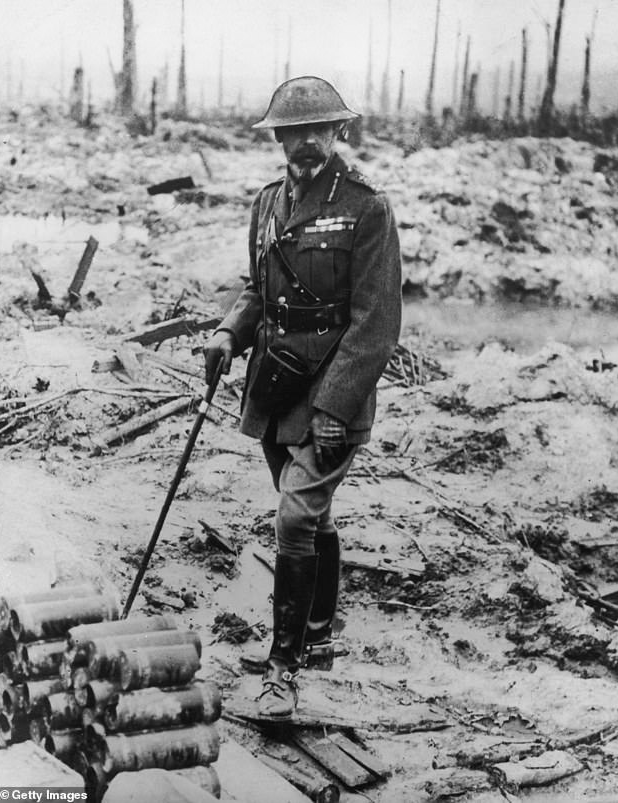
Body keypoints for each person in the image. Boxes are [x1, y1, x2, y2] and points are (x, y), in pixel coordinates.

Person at [204, 76, 402, 718]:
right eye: (295, 132)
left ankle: (283, 669)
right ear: (280, 138)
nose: (307, 142)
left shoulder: (367, 208)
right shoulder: (266, 204)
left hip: (331, 395)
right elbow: (258, 288)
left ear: (339, 133)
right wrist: (228, 332)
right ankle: (319, 636)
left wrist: (333, 410)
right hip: (275, 386)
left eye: (320, 130)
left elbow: (376, 322)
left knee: (293, 516)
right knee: (309, 516)